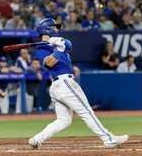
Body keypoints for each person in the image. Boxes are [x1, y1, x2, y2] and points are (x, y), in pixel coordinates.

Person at [28, 18, 128, 149]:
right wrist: (58, 49)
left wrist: (57, 42)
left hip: (61, 85)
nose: (57, 29)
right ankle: (108, 139)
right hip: (63, 83)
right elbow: (49, 62)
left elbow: (68, 45)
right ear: (47, 29)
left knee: (63, 121)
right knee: (87, 111)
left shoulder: (57, 42)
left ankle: (37, 139)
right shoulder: (41, 48)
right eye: (54, 27)